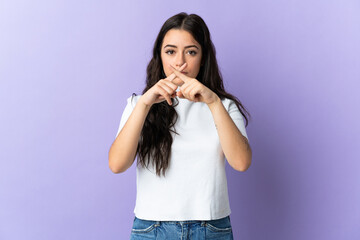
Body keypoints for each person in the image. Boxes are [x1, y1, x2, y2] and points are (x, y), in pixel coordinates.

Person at [108, 12, 252, 240]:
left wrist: (213, 101)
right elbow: (117, 164)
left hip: (211, 229)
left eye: (191, 52)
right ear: (160, 56)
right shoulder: (139, 104)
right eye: (171, 51)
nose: (180, 62)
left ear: (203, 57)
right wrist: (145, 103)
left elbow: (241, 162)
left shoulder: (223, 105)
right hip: (152, 229)